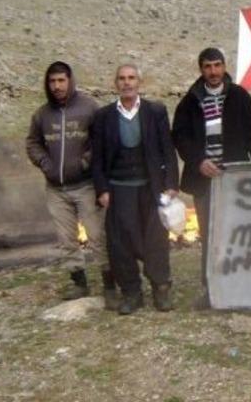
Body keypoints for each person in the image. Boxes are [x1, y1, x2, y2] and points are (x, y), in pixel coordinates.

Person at [171, 47, 251, 309]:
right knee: (209, 234)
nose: (213, 71)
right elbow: (180, 136)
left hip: (234, 179)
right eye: (207, 66)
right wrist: (197, 161)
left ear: (224, 66)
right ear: (200, 69)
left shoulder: (238, 96)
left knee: (239, 232)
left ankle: (240, 286)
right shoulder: (190, 100)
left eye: (217, 65)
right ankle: (212, 290)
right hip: (204, 179)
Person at [91, 64, 179, 315]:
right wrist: (102, 189)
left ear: (139, 82)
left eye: (131, 78)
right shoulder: (104, 116)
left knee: (156, 241)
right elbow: (98, 158)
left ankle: (161, 289)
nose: (127, 83)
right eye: (122, 78)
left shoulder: (155, 111)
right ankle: (131, 292)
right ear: (115, 83)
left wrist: (171, 183)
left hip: (150, 188)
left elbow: (167, 150)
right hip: (119, 189)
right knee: (120, 244)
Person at [25, 61, 113, 305]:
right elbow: (32, 143)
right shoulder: (42, 114)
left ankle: (109, 284)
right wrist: (45, 163)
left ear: (70, 81)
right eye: (52, 81)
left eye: (61, 80)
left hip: (86, 185)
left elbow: (100, 140)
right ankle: (79, 283)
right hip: (56, 189)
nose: (57, 86)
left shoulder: (88, 108)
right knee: (67, 240)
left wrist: (85, 163)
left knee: (97, 236)